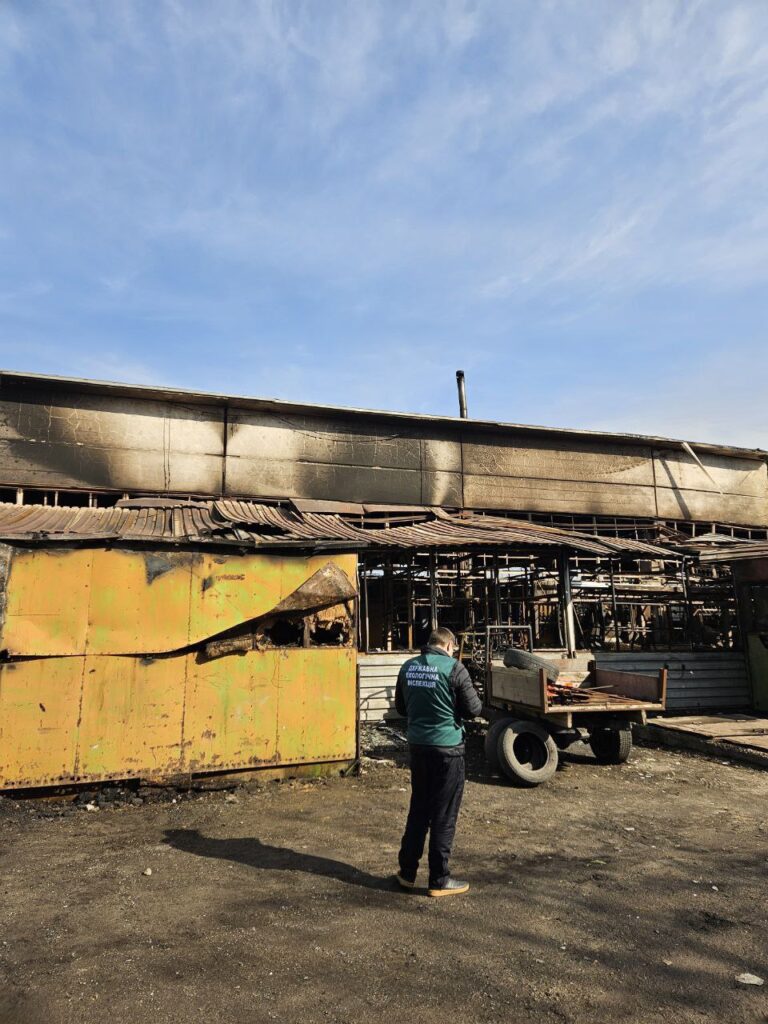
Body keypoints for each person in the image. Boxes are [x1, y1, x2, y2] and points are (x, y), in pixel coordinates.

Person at [394, 625, 482, 897]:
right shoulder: (455, 669)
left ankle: (407, 873)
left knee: (419, 809)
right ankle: (439, 879)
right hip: (448, 750)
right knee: (444, 815)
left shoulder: (408, 667)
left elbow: (401, 708)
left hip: (419, 747)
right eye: (453, 649)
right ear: (448, 645)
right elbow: (474, 709)